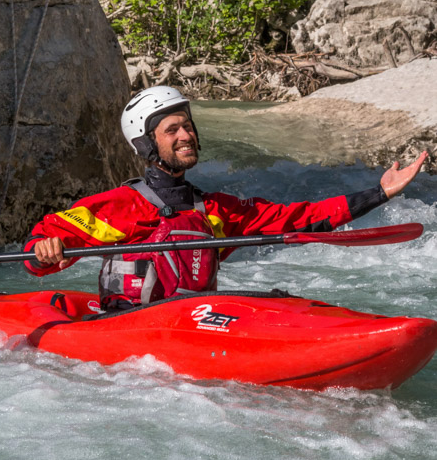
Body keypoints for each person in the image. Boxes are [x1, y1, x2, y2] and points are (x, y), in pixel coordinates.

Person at [25, 86, 428, 309]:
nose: (186, 135)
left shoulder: (216, 210)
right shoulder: (117, 207)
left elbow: (299, 219)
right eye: (172, 130)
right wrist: (44, 249)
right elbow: (37, 249)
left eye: (188, 126)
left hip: (197, 320)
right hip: (130, 324)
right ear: (147, 144)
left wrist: (379, 193)